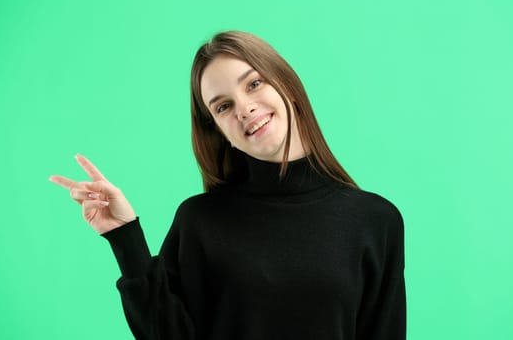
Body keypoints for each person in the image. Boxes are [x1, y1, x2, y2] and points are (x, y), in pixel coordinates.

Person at [49, 31, 406, 340]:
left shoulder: (375, 220)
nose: (245, 109)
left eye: (254, 83)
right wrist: (124, 236)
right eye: (223, 106)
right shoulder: (201, 220)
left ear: (288, 87)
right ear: (219, 132)